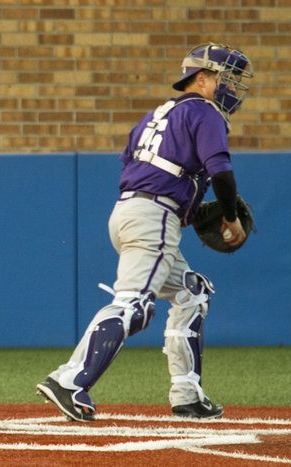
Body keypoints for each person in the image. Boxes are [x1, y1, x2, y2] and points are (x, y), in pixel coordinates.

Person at [37, 43, 253, 421]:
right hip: (154, 217)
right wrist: (229, 216)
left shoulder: (156, 116)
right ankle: (69, 381)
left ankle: (187, 394)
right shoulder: (206, 113)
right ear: (201, 79)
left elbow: (135, 168)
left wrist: (188, 208)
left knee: (192, 292)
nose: (231, 89)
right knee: (135, 305)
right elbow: (220, 171)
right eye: (225, 79)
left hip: (131, 212)